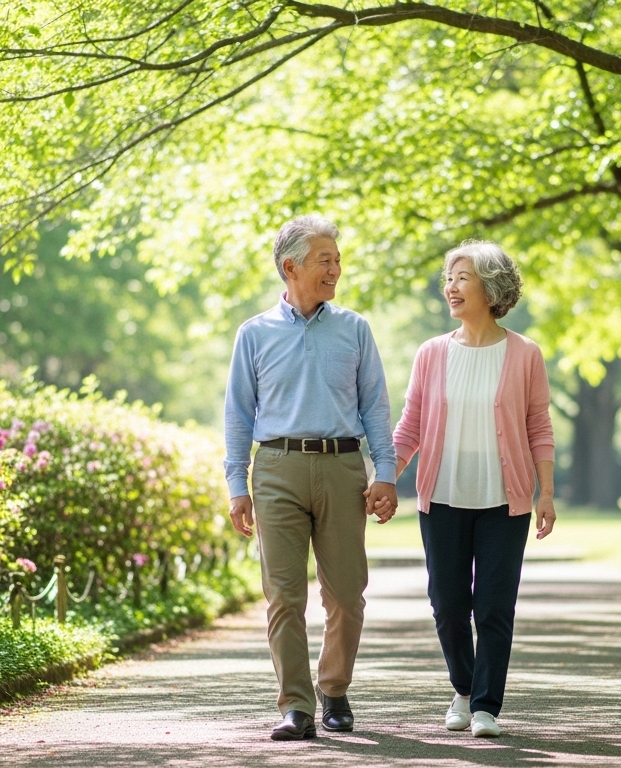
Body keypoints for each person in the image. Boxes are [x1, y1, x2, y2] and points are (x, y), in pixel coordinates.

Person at [224, 214, 399, 741]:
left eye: (338, 260)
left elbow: (376, 407)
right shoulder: (253, 334)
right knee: (283, 595)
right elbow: (237, 413)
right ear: (290, 267)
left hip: (343, 466)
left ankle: (335, 689)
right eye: (326, 260)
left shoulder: (355, 329)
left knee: (346, 593)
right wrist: (238, 484)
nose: (336, 270)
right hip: (276, 469)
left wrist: (385, 472)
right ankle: (296, 706)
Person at [388, 239, 556, 738]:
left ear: (492, 286)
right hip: (441, 494)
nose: (451, 287)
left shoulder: (525, 353)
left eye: (463, 277)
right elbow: (410, 426)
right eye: (449, 278)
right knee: (447, 603)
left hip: (505, 501)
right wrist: (384, 478)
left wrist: (546, 493)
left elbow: (539, 428)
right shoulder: (432, 353)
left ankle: (485, 706)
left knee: (494, 605)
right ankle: (462, 687)